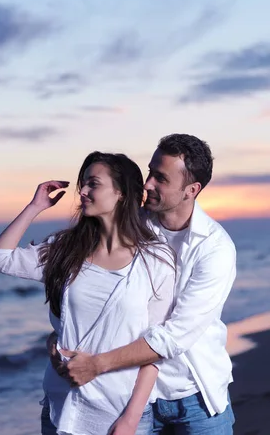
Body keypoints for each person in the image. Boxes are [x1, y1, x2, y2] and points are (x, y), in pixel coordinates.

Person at [0, 152, 177, 435]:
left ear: (121, 193)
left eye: (93, 184)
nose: (83, 192)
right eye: (82, 184)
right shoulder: (64, 250)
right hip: (61, 410)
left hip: (118, 416)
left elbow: (155, 347)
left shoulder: (155, 260)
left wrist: (131, 420)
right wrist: (35, 206)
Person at [53, 135, 237, 434]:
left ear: (191, 190)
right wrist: (58, 338)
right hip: (128, 396)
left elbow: (174, 337)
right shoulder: (129, 225)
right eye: (150, 171)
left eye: (161, 178)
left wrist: (97, 364)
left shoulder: (215, 249)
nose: (147, 183)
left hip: (192, 397)